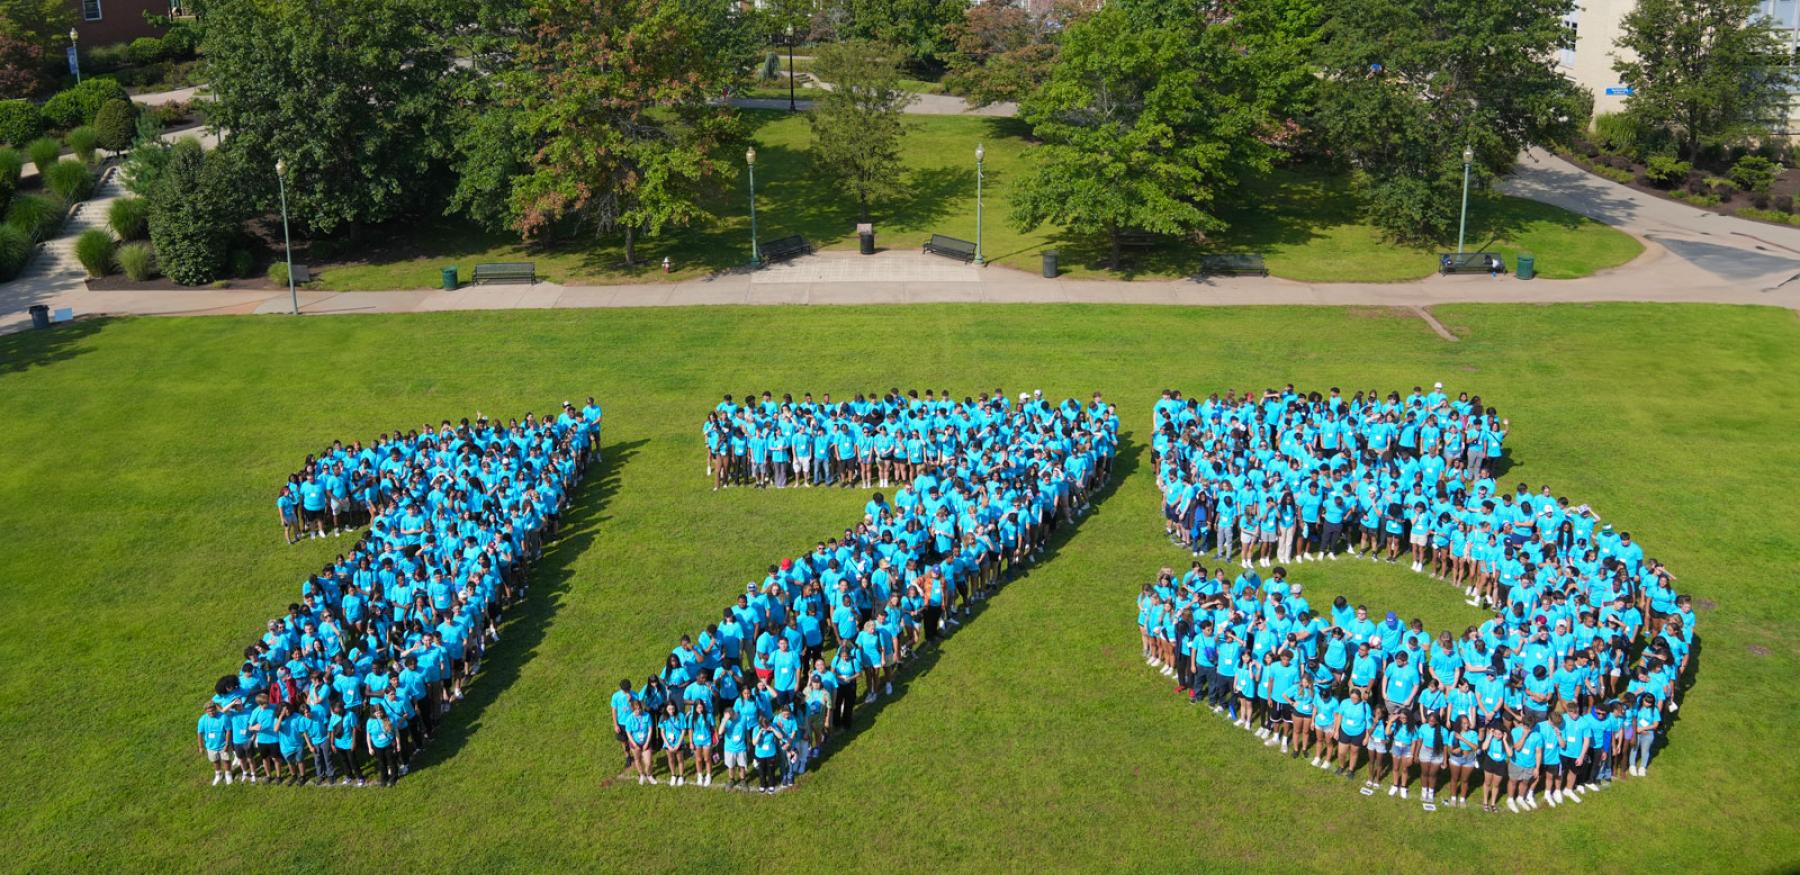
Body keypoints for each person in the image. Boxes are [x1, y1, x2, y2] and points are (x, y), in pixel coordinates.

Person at [196, 401, 604, 786]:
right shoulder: (363, 650)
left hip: (447, 635)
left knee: (437, 690)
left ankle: (438, 707)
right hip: (399, 636)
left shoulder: (444, 612)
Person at [196, 702, 233, 785]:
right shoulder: (202, 720)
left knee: (226, 760)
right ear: (205, 711)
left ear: (215, 709)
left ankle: (228, 774)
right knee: (215, 760)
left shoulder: (223, 717)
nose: (211, 713)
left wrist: (227, 744)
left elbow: (228, 731)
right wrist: (201, 747)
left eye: (213, 710)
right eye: (209, 711)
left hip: (223, 744)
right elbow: (200, 733)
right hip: (210, 746)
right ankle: (218, 774)